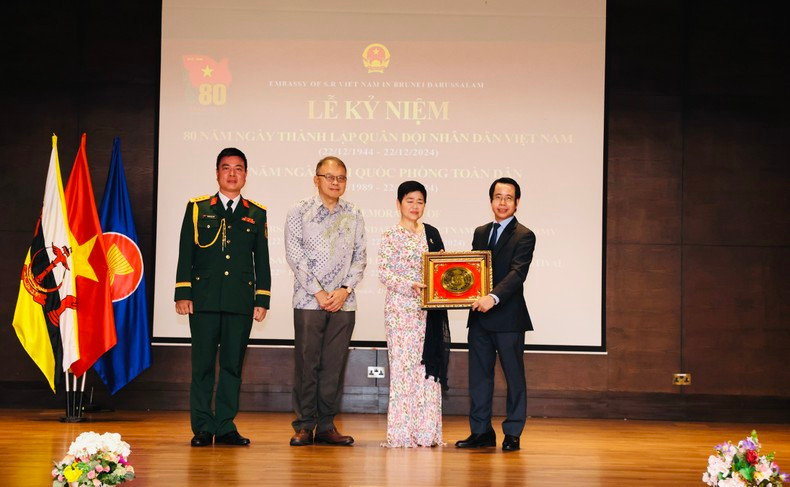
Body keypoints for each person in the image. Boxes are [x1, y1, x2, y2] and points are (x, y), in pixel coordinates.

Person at [174, 147, 271, 447]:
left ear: (246, 174)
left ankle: (226, 425)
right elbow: (185, 253)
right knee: (202, 366)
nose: (232, 174)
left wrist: (262, 298)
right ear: (217, 173)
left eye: (238, 168)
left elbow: (262, 261)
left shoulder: (256, 213)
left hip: (239, 301)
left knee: (232, 366)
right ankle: (203, 426)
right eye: (226, 168)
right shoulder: (197, 208)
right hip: (203, 300)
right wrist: (182, 292)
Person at [284, 156, 367, 446]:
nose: (335, 182)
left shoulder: (354, 212)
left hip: (344, 302)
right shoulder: (299, 211)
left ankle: (327, 425)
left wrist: (344, 289)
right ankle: (305, 425)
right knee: (308, 365)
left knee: (333, 366)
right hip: (309, 301)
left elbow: (360, 256)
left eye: (341, 177)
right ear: (316, 179)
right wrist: (319, 292)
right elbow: (295, 256)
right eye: (329, 177)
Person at [455, 177, 536, 452]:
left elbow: (517, 274)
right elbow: (473, 271)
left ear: (517, 202)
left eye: (508, 197)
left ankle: (513, 433)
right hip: (479, 316)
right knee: (479, 377)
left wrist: (493, 297)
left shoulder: (525, 235)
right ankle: (481, 432)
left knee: (514, 377)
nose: (502, 202)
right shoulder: (480, 232)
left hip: (509, 318)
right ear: (491, 201)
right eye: (498, 197)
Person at [378, 181, 450, 448]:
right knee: (403, 371)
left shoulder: (431, 233)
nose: (415, 206)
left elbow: (441, 270)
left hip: (427, 314)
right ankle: (401, 433)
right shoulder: (390, 234)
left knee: (427, 371)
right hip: (401, 312)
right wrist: (411, 286)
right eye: (409, 200)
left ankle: (426, 433)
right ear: (398, 203)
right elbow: (384, 272)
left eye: (420, 201)